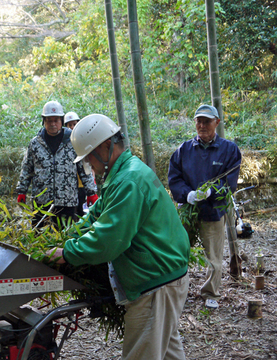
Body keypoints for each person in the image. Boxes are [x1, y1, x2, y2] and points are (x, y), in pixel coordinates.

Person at [47, 114, 190, 360]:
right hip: (162, 277)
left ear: (105, 145)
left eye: (89, 156)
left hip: (155, 284)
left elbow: (109, 240)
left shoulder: (128, 180)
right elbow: (96, 214)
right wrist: (69, 237)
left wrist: (67, 253)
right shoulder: (123, 172)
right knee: (167, 353)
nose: (89, 164)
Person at [168, 104, 241, 309]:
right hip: (188, 212)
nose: (202, 125)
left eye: (207, 121)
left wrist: (212, 192)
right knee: (179, 250)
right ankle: (175, 289)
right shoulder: (184, 150)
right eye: (199, 121)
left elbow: (230, 183)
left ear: (217, 122)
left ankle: (210, 292)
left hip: (213, 211)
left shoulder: (229, 150)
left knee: (214, 256)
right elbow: (174, 178)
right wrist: (187, 194)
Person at [16, 101, 97, 228]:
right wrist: (22, 190)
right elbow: (27, 168)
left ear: (61, 120)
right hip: (42, 201)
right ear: (44, 121)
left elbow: (84, 168)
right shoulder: (35, 144)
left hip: (67, 201)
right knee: (40, 238)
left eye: (56, 120)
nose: (53, 124)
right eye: (49, 120)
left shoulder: (73, 141)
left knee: (66, 237)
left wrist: (91, 192)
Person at [64, 112, 87, 217]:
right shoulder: (64, 142)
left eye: (74, 124)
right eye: (70, 125)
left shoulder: (84, 139)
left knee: (83, 213)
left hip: (83, 184)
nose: (72, 127)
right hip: (70, 186)